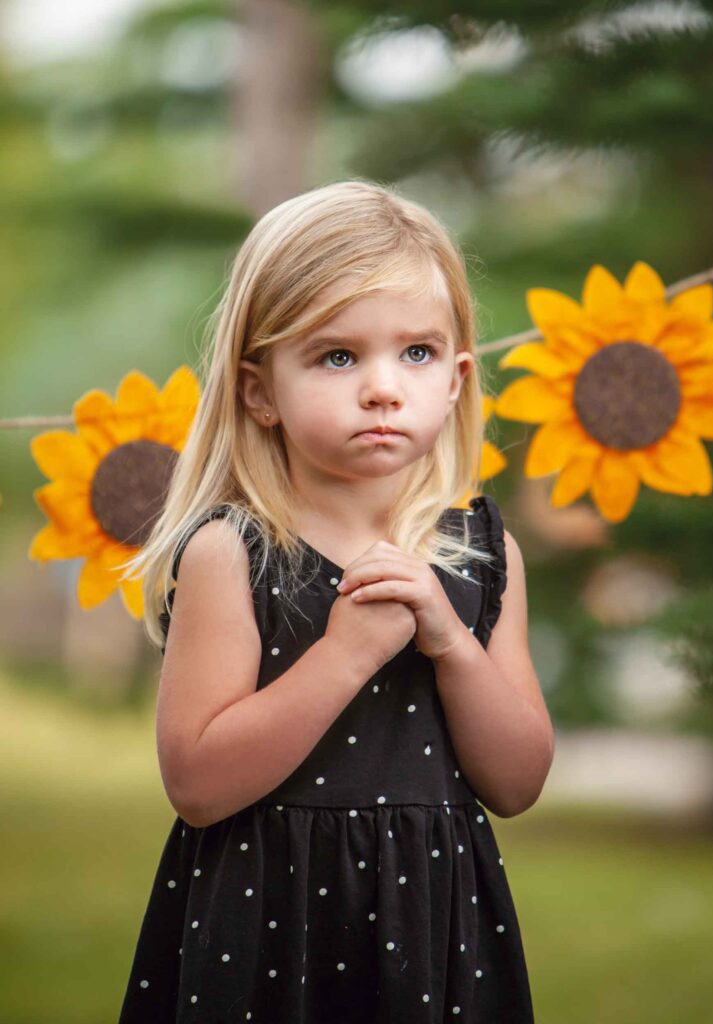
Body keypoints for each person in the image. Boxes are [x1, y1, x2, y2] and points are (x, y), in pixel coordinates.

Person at [117, 179, 554, 1023]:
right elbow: (198, 784)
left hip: (435, 923)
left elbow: (519, 779)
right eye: (338, 356)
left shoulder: (484, 552)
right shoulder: (233, 552)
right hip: (271, 924)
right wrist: (345, 653)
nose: (383, 388)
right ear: (258, 390)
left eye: (417, 354)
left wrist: (451, 644)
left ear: (459, 378)